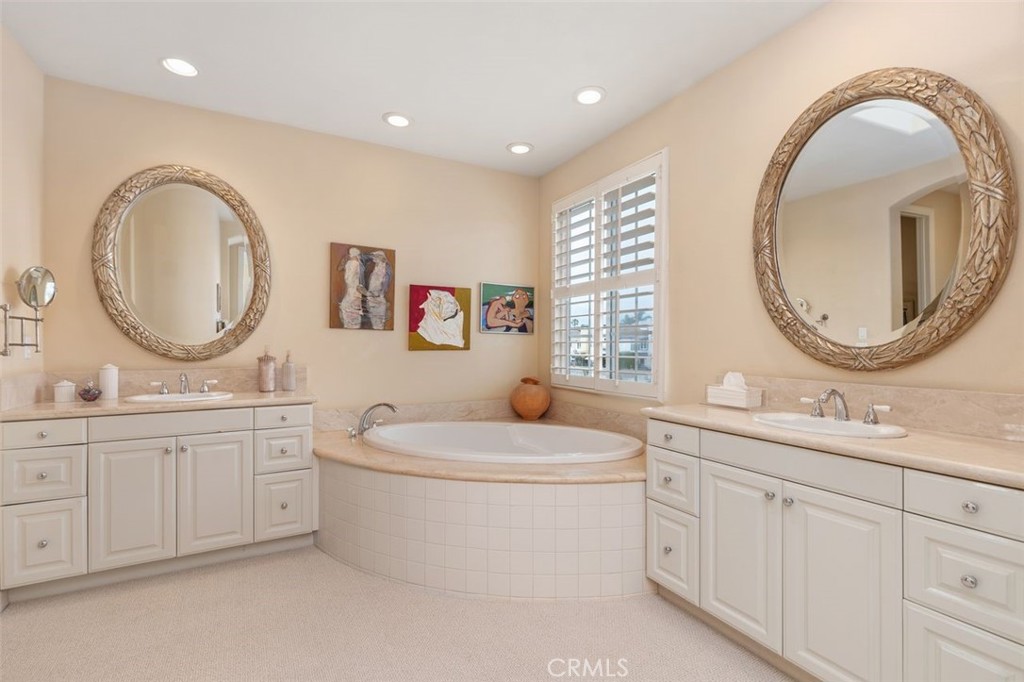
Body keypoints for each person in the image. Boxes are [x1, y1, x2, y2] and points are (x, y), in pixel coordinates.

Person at [363, 250, 391, 330]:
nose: (373, 258)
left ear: (380, 257)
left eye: (375, 256)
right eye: (373, 256)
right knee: (375, 325)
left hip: (378, 301)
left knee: (378, 326)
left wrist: (366, 293)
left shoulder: (384, 270)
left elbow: (381, 289)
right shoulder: (376, 269)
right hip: (372, 301)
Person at [338, 247, 364, 328]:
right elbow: (350, 277)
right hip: (354, 289)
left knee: (348, 307)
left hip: (353, 289)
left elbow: (349, 277)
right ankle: (351, 325)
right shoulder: (355, 263)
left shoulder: (352, 263)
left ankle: (350, 325)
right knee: (349, 307)